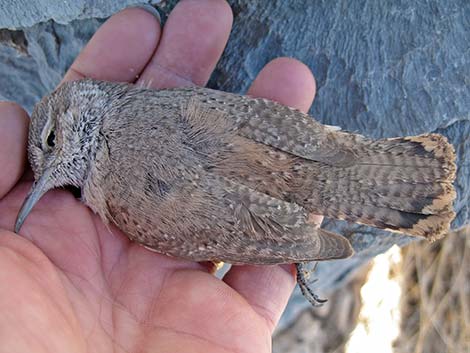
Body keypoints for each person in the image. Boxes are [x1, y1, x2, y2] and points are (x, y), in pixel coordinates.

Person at [0, 1, 319, 351]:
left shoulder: (117, 189)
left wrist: (290, 237)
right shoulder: (116, 166)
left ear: (72, 112)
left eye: (52, 141)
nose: (48, 178)